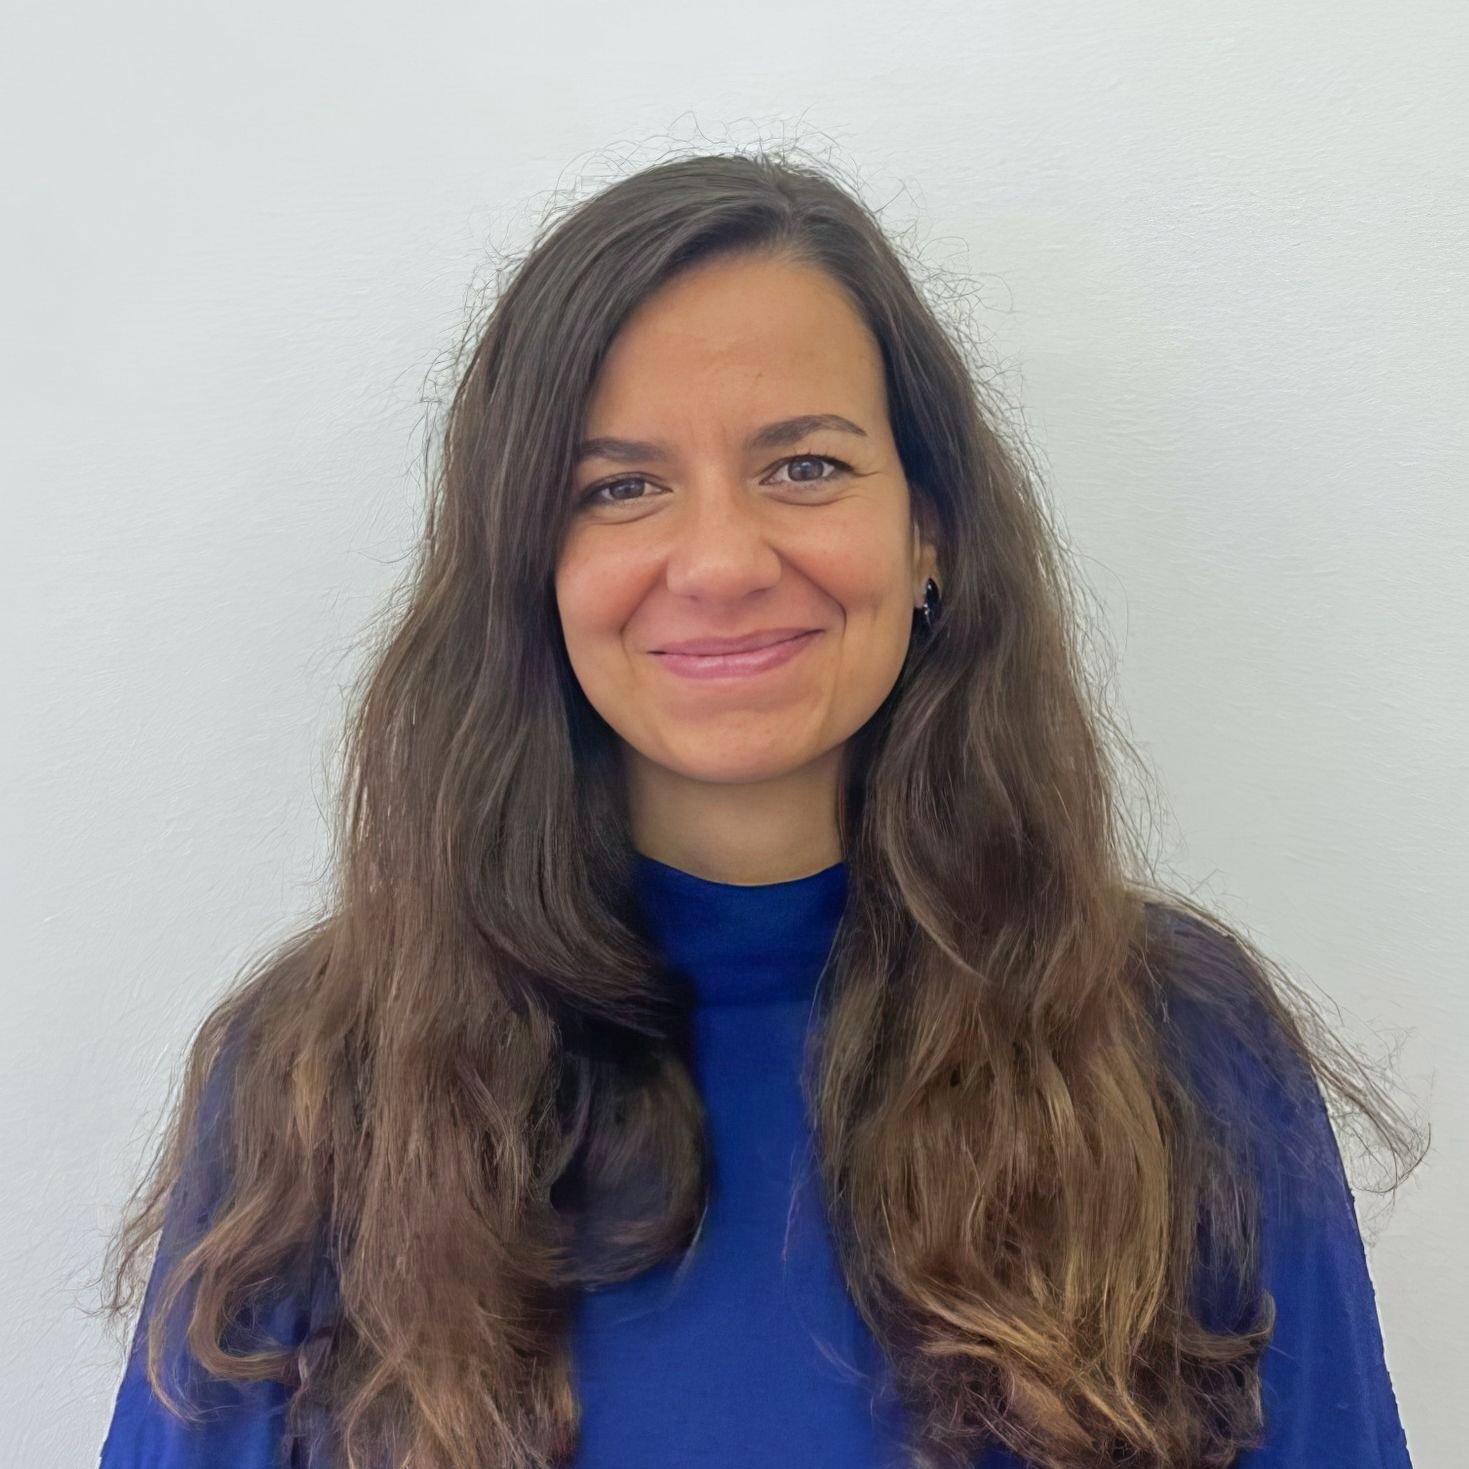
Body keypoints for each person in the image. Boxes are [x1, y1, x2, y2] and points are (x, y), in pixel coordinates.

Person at [98, 149, 1424, 1469]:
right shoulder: (326, 1077)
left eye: (804, 467)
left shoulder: (1174, 1043)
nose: (723, 561)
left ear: (930, 533)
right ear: (528, 567)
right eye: (617, 487)